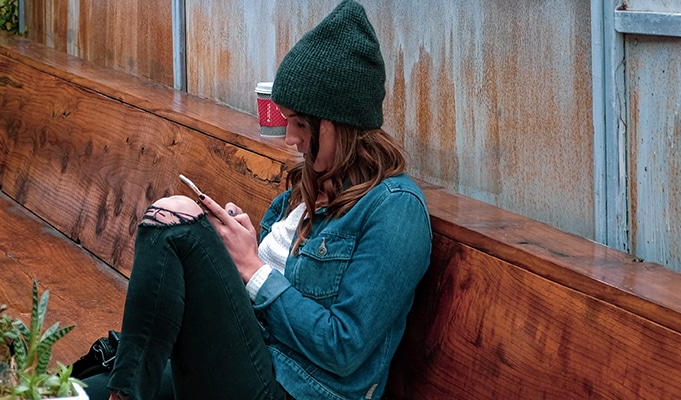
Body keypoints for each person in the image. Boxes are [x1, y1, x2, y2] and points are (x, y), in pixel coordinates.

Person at [86, 1, 432, 399]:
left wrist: (253, 269)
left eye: (300, 123)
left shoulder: (395, 209)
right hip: (248, 364)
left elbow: (344, 347)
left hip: (295, 388)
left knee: (173, 217)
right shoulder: (297, 197)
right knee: (69, 391)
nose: (290, 138)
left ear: (339, 124)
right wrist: (233, 250)